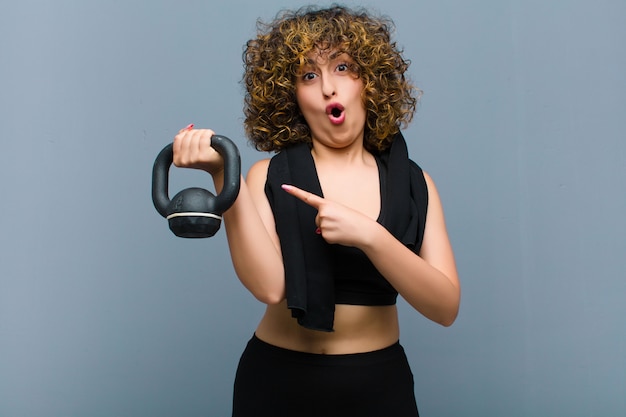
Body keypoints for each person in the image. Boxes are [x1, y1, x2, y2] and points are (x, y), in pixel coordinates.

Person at [172, 5, 460, 416]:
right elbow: (270, 289)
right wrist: (223, 176)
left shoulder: (417, 184)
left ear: (370, 81)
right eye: (309, 75)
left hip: (379, 387)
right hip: (278, 384)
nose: (328, 87)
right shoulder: (266, 176)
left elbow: (445, 308)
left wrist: (372, 238)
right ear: (291, 95)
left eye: (343, 67)